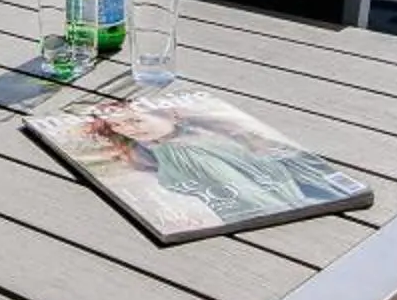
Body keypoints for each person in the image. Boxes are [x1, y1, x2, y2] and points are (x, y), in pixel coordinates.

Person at [79, 96, 358, 225]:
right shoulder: (173, 152)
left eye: (134, 119)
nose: (131, 128)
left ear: (172, 114)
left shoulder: (199, 139)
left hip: (307, 208)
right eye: (121, 127)